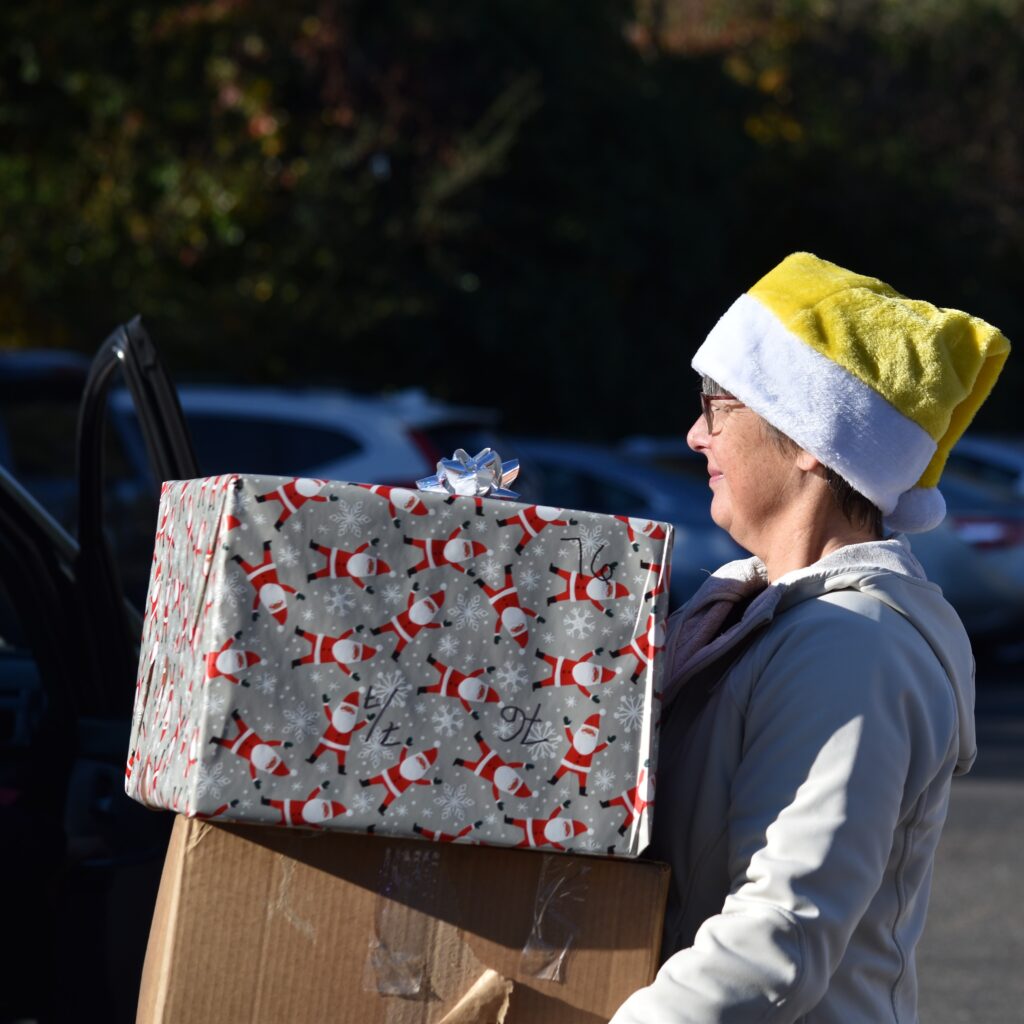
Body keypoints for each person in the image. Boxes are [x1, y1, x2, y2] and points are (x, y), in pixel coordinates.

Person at [609, 252, 1010, 1024]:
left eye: (719, 404)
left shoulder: (852, 644)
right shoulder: (761, 611)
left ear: (810, 440)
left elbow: (778, 939)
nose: (696, 434)